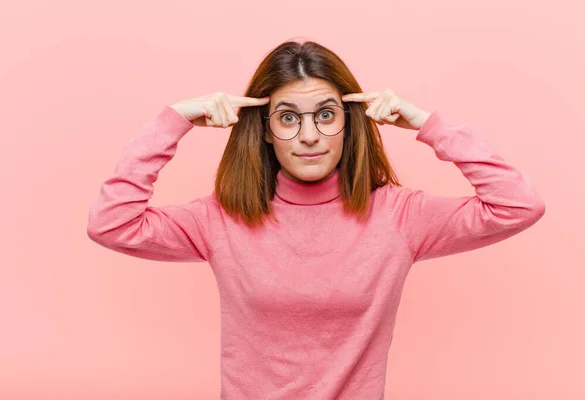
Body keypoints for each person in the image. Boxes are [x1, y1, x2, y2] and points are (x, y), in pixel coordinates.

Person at [87, 39, 545, 399]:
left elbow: (518, 204)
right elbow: (111, 223)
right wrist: (174, 121)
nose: (309, 137)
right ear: (265, 129)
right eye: (288, 118)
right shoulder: (220, 219)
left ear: (350, 121)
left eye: (326, 115)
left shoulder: (400, 216)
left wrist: (428, 124)